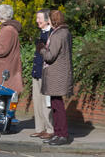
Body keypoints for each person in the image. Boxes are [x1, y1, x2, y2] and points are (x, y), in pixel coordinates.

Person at [37, 10, 73, 146]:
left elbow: (50, 56)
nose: (49, 21)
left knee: (57, 106)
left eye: (50, 18)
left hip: (57, 75)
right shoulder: (65, 32)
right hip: (60, 74)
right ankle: (58, 134)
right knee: (55, 104)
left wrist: (41, 48)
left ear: (54, 20)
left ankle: (62, 134)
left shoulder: (58, 34)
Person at [30, 9, 54, 139]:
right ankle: (40, 128)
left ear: (47, 19)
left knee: (46, 103)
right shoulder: (41, 33)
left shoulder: (51, 33)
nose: (37, 21)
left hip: (46, 73)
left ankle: (50, 129)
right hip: (37, 72)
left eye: (39, 18)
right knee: (37, 102)